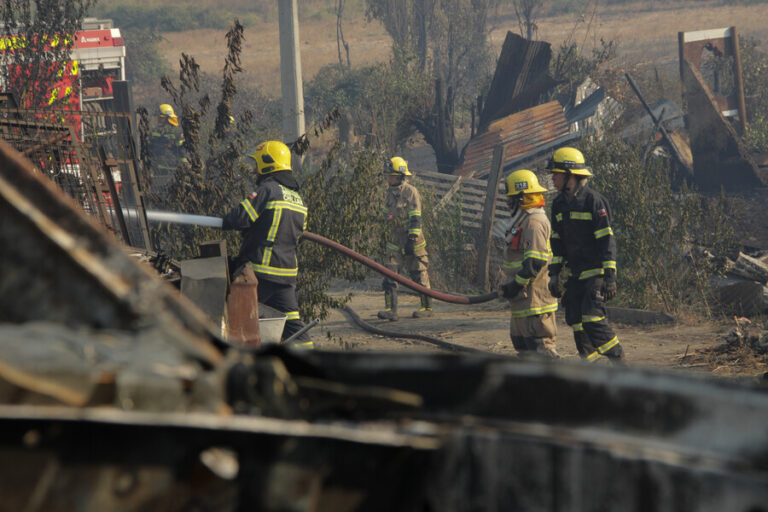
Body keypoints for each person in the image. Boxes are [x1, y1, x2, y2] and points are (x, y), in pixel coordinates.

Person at [222, 140, 313, 349]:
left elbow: (237, 218)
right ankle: (309, 368)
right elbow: (294, 234)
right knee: (296, 330)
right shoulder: (299, 200)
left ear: (267, 163)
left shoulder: (268, 190)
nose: (255, 171)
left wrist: (229, 222)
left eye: (257, 165)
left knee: (237, 324)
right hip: (286, 275)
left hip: (258, 275)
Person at [547, 147, 625, 363]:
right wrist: (554, 275)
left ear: (570, 174)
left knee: (592, 318)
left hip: (595, 273)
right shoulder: (559, 204)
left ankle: (618, 360)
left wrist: (610, 276)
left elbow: (606, 239)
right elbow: (557, 242)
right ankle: (592, 368)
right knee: (576, 320)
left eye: (556, 173)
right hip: (576, 275)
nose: (553, 178)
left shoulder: (593, 201)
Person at [499, 169, 560, 357]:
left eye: (511, 199)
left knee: (541, 349)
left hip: (534, 300)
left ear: (521, 198)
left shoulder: (534, 222)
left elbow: (535, 261)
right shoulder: (524, 221)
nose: (508, 203)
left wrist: (516, 284)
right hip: (523, 299)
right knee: (524, 348)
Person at [377, 156, 433, 321]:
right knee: (389, 274)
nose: (389, 178)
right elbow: (385, 216)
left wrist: (411, 239)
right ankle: (391, 310)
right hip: (394, 241)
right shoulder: (388, 193)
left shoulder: (410, 192)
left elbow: (416, 218)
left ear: (400, 176)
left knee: (418, 273)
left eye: (391, 175)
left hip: (413, 241)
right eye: (388, 175)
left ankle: (427, 307)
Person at [149, 104, 185, 177]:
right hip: (169, 169)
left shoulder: (157, 131)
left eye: (160, 117)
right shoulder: (178, 131)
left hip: (167, 169)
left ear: (167, 118)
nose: (158, 120)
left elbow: (182, 151)